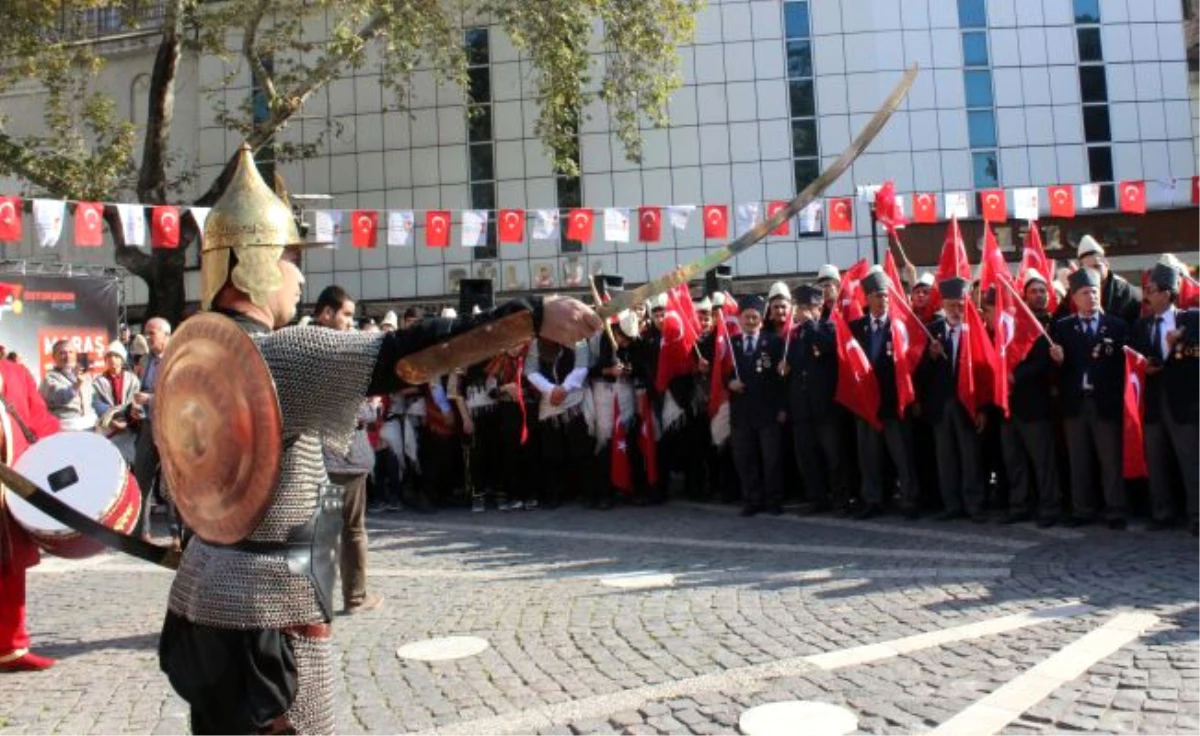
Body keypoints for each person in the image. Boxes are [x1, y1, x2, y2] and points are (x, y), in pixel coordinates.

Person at [156, 145, 599, 736]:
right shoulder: (276, 358)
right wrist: (531, 316)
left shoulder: (186, 353)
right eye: (291, 258)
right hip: (262, 609)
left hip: (203, 594)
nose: (301, 275)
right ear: (254, 264)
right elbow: (406, 357)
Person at [312, 285, 384, 615]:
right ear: (327, 313)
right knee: (351, 529)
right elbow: (356, 412)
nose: (350, 323)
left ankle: (316, 599)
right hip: (341, 458)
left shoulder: (302, 347)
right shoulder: (340, 353)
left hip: (318, 456)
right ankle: (355, 596)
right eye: (346, 314)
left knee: (322, 531)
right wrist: (371, 408)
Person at [1050, 267, 1130, 529]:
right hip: (1075, 404)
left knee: (1110, 460)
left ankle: (1115, 509)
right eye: (1085, 292)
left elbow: (1124, 367)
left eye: (1095, 291)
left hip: (1105, 403)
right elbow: (1053, 368)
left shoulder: (1116, 326)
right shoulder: (1062, 327)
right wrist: (1057, 361)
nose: (1092, 296)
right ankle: (1082, 509)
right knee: (1079, 459)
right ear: (1074, 298)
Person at [0, 359, 61, 672]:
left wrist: (66, 448)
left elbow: (39, 420)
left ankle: (11, 646)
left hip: (10, 488)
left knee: (11, 569)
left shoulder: (14, 373)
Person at [1134, 263, 1200, 533]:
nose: (1147, 296)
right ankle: (1162, 512)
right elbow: (1134, 356)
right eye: (1146, 290)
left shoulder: (1192, 319)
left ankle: (1196, 515)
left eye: (1152, 290)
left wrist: (1180, 346)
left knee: (1190, 460)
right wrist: (1144, 366)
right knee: (1156, 460)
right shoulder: (1142, 324)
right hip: (1153, 402)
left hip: (1182, 403)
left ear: (1168, 294)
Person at [851, 269, 921, 520]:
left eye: (886, 296)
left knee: (902, 453)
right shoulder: (855, 328)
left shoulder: (900, 326)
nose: (883, 301)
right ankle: (872, 499)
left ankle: (910, 499)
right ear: (867, 298)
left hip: (894, 401)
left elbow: (914, 358)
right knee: (868, 455)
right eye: (878, 296)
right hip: (867, 403)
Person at [920, 277, 986, 522]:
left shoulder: (975, 330)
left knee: (971, 457)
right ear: (944, 306)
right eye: (952, 306)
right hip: (941, 405)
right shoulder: (933, 330)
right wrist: (932, 356)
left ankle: (974, 504)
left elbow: (984, 371)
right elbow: (921, 373)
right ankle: (951, 504)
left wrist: (982, 407)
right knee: (945, 457)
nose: (957, 311)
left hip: (967, 403)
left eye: (961, 305)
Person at [999, 271, 1061, 527]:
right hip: (1009, 404)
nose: (1038, 295)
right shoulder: (1015, 323)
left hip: (1036, 404)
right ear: (1024, 295)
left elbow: (1044, 361)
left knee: (1043, 460)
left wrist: (1016, 376)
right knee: (1014, 460)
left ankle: (1050, 507)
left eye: (1042, 291)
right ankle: (1019, 505)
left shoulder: (1052, 325)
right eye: (1034, 291)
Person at [781, 284, 840, 514]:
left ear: (818, 307)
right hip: (802, 407)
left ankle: (840, 497)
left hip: (824, 407)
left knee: (833, 456)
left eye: (809, 307)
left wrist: (809, 323)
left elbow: (826, 346)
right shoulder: (792, 336)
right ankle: (817, 499)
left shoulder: (828, 327)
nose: (804, 311)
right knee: (808, 457)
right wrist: (785, 368)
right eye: (801, 307)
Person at [728, 295, 786, 517]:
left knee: (772, 459)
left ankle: (773, 500)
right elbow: (721, 375)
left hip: (768, 411)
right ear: (740, 319)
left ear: (761, 320)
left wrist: (782, 407)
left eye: (755, 317)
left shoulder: (774, 342)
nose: (750, 321)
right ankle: (752, 499)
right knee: (745, 459)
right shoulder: (731, 344)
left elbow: (781, 380)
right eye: (747, 317)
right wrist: (729, 383)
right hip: (741, 412)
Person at [92, 340, 142, 465]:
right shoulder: (98, 381)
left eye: (116, 356)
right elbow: (95, 404)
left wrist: (128, 421)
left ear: (122, 359)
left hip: (129, 427)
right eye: (109, 356)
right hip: (107, 428)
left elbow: (136, 402)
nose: (112, 359)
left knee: (127, 465)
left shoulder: (132, 379)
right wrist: (111, 420)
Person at [38, 340, 97, 432]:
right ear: (54, 357)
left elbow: (93, 400)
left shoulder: (85, 374)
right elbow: (60, 398)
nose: (67, 356)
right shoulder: (50, 378)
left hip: (89, 426)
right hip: (66, 429)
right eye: (62, 353)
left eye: (71, 352)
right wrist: (76, 385)